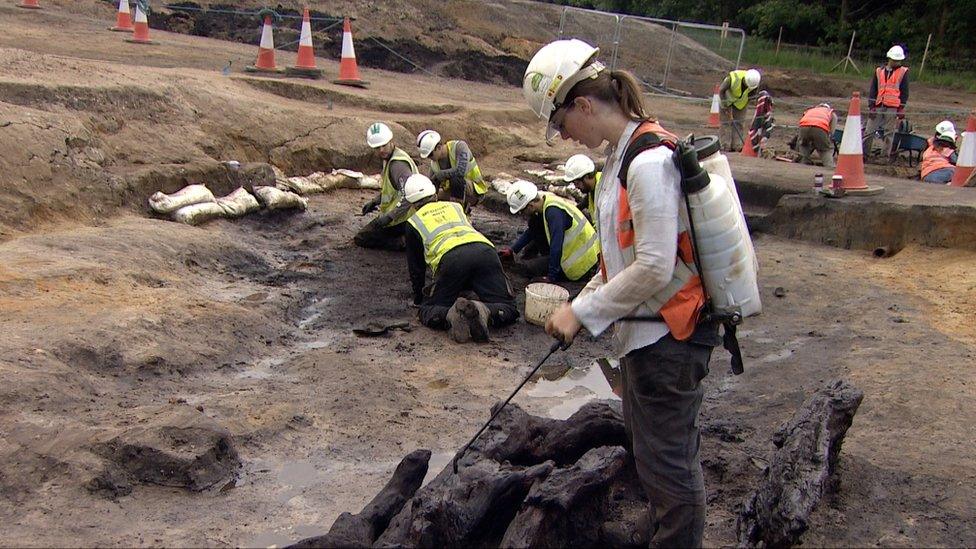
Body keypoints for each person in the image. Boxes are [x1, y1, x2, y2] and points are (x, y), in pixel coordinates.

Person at [522, 38, 721, 547]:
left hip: (671, 339)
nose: (565, 137)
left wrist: (582, 313)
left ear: (584, 105)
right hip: (647, 336)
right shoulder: (620, 159)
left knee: (671, 474)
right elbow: (621, 258)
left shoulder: (648, 163)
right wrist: (579, 300)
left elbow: (655, 267)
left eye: (562, 124)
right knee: (653, 461)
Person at [402, 174, 518, 342]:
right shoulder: (455, 207)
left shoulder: (413, 222)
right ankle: (484, 310)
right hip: (485, 251)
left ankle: (451, 314)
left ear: (412, 205)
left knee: (429, 310)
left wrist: (420, 298)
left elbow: (416, 267)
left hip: (452, 259)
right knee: (509, 307)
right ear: (435, 195)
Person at [498, 180, 599, 283]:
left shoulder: (553, 213)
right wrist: (512, 249)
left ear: (530, 206)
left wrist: (551, 277)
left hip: (581, 263)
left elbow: (556, 245)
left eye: (522, 211)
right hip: (573, 251)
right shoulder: (544, 202)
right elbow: (532, 231)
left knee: (528, 269)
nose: (522, 214)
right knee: (535, 223)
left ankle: (554, 272)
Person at [355, 122, 419, 250]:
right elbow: (392, 189)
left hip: (405, 217)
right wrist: (375, 201)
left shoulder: (397, 165)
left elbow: (409, 196)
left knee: (362, 238)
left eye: (383, 146)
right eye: (377, 148)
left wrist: (389, 217)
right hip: (400, 215)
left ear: (391, 140)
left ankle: (404, 242)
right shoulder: (390, 158)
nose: (381, 150)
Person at [416, 130, 488, 212]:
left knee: (456, 179)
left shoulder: (459, 147)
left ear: (439, 147)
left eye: (430, 154)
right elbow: (432, 188)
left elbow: (461, 171)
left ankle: (458, 212)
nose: (430, 158)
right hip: (451, 191)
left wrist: (441, 175)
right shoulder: (434, 164)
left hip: (475, 192)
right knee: (431, 194)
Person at [863, 45, 910, 157]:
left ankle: (884, 156)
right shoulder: (879, 71)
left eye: (898, 61)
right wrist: (871, 105)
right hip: (878, 105)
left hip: (893, 107)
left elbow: (904, 91)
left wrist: (901, 107)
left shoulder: (903, 72)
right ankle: (864, 154)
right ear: (889, 59)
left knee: (889, 133)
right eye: (894, 60)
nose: (896, 62)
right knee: (869, 131)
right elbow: (873, 89)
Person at [718, 68, 761, 152]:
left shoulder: (754, 83)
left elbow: (752, 94)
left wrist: (746, 101)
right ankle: (725, 145)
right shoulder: (733, 78)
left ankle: (737, 145)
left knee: (739, 123)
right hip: (727, 98)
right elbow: (721, 90)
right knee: (725, 122)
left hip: (741, 102)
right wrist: (725, 106)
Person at [562, 154, 602, 222]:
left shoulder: (604, 189)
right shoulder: (593, 189)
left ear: (586, 177)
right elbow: (585, 202)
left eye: (577, 183)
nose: (576, 187)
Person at [797, 103, 838, 168]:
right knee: (826, 149)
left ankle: (804, 163)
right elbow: (831, 132)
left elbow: (802, 120)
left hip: (804, 127)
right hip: (820, 127)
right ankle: (830, 166)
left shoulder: (810, 110)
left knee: (804, 145)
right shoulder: (831, 113)